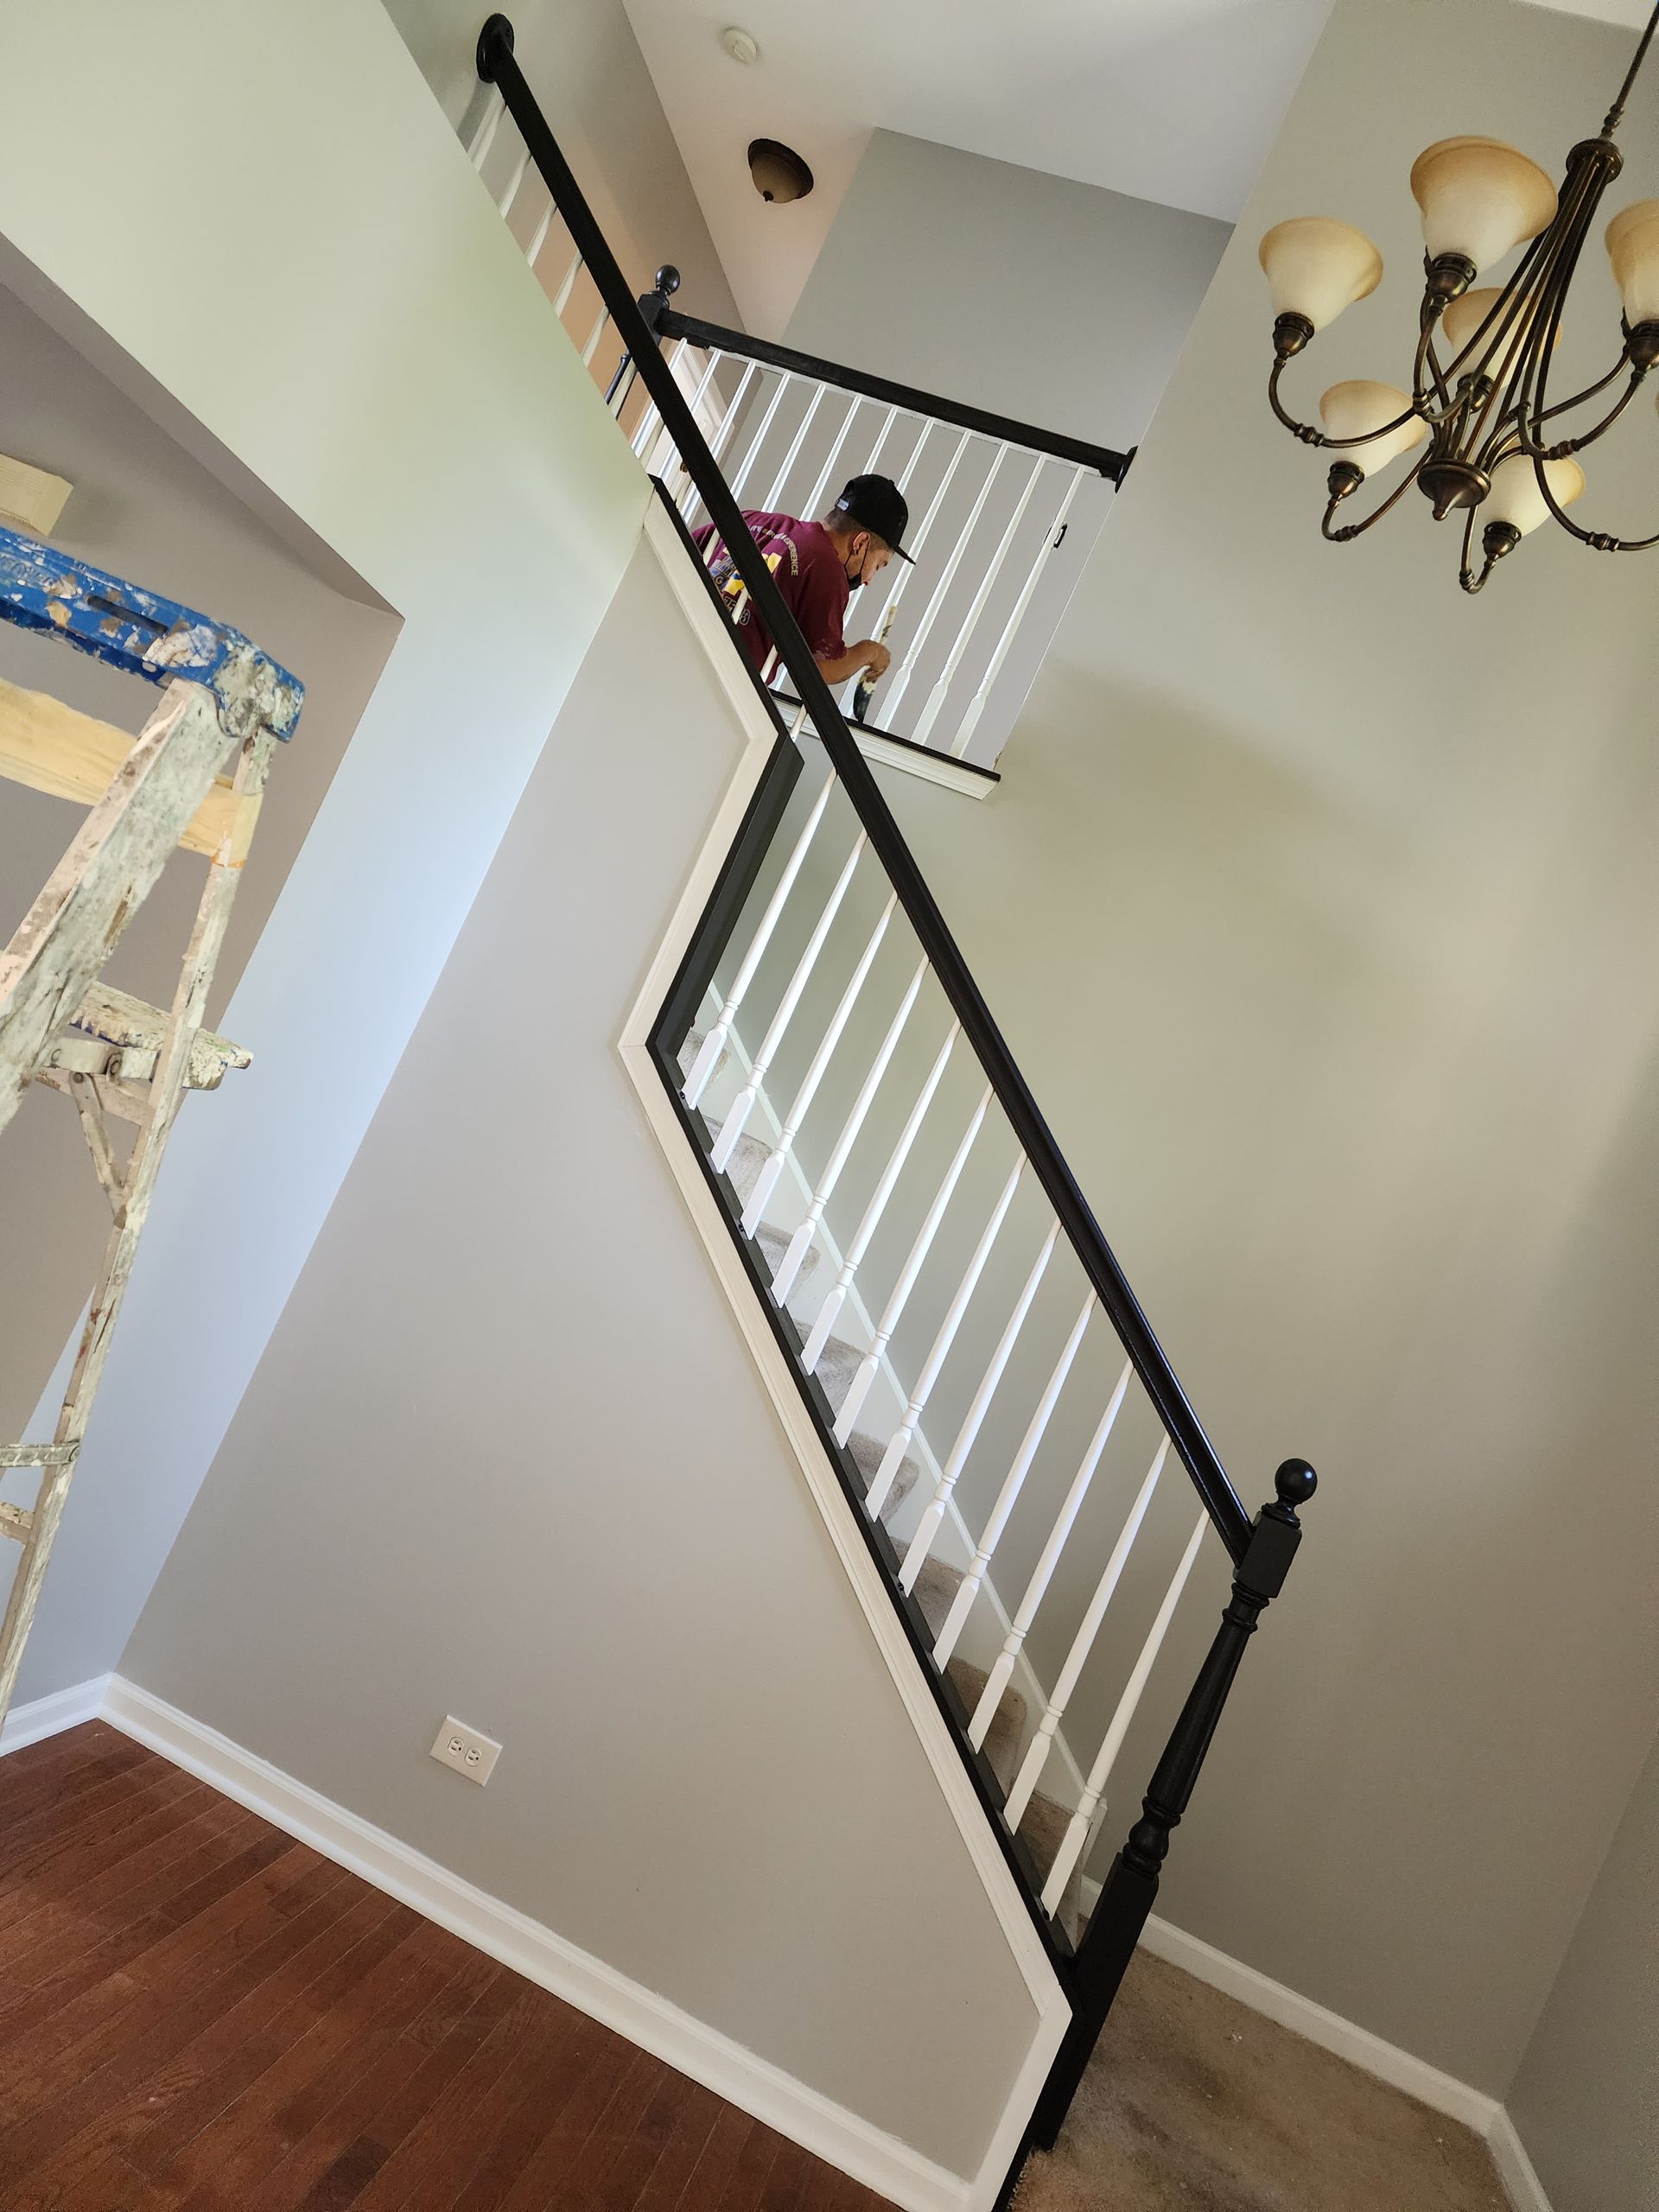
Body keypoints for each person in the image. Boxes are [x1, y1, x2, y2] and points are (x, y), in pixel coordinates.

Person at [691, 474, 913, 688]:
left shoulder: (756, 520)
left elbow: (685, 547)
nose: (868, 581)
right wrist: (871, 652)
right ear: (861, 543)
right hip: (722, 676)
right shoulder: (827, 568)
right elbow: (824, 668)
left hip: (687, 628)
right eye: (878, 565)